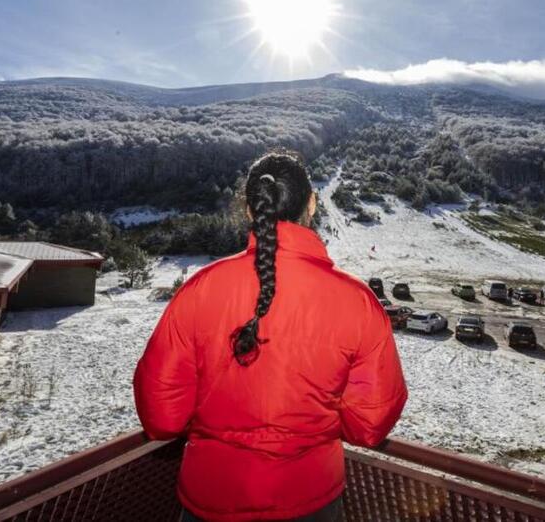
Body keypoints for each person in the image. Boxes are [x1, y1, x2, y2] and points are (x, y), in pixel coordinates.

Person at [134, 152, 408, 522]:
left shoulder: (199, 290)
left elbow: (162, 417)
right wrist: (315, 426)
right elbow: (370, 424)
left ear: (250, 210)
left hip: (211, 496)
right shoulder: (358, 301)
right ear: (312, 204)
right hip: (310, 497)